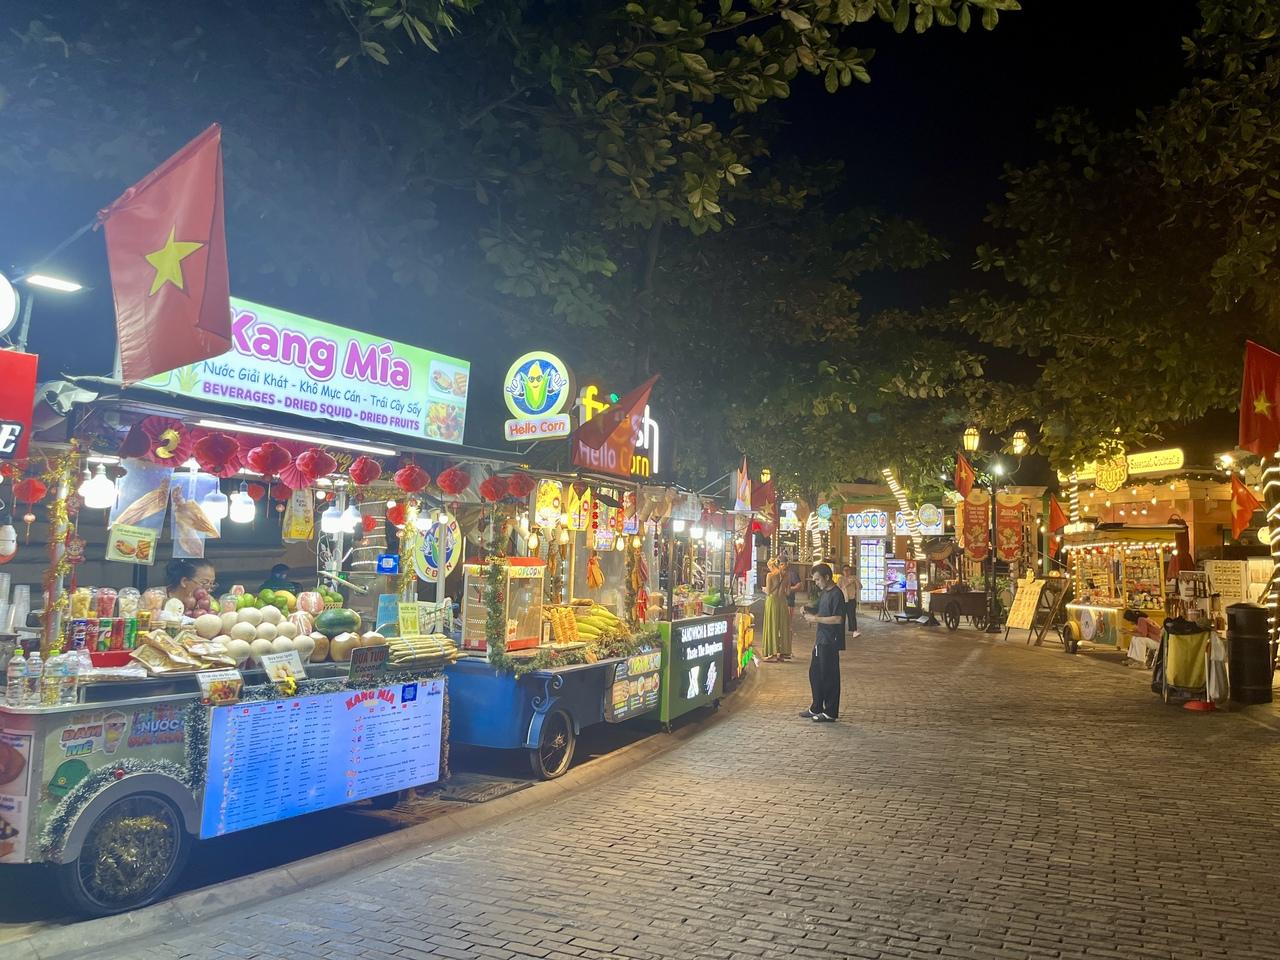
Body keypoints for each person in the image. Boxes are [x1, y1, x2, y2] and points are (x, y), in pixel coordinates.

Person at [801, 563, 845, 723]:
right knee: (815, 674)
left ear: (827, 577)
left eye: (818, 579)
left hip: (830, 641)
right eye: (815, 580)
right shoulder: (825, 593)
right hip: (820, 640)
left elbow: (838, 618)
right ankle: (817, 706)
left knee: (829, 676)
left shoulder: (837, 594)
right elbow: (819, 608)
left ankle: (830, 711)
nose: (816, 583)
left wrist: (815, 619)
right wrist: (807, 609)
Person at [760, 557, 787, 662]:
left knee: (771, 626)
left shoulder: (770, 575)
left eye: (769, 567)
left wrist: (763, 589)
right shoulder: (785, 575)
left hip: (772, 601)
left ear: (771, 565)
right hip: (782, 601)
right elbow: (788, 592)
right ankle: (782, 653)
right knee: (781, 627)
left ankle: (772, 654)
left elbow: (768, 592)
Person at [841, 564, 862, 638]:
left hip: (851, 600)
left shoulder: (854, 578)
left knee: (852, 616)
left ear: (850, 571)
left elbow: (860, 587)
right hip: (843, 600)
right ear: (843, 571)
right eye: (845, 570)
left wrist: (855, 580)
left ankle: (854, 631)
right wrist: (848, 583)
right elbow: (838, 588)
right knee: (841, 616)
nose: (846, 572)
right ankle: (840, 631)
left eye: (848, 570)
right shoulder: (841, 579)